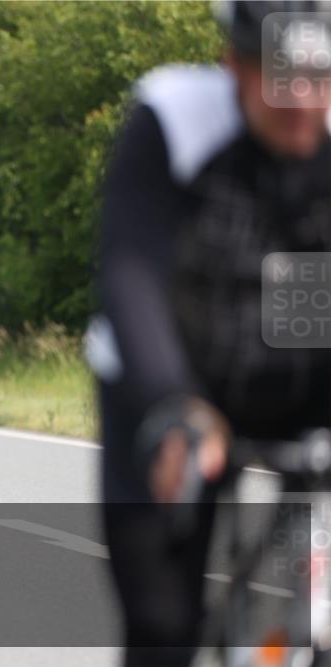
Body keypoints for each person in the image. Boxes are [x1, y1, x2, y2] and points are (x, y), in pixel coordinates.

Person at [95, 2, 331, 663]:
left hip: (299, 372)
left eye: (319, 76)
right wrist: (174, 401)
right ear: (234, 64)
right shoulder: (174, 115)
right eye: (278, 75)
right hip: (168, 369)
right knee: (163, 622)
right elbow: (131, 271)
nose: (300, 99)